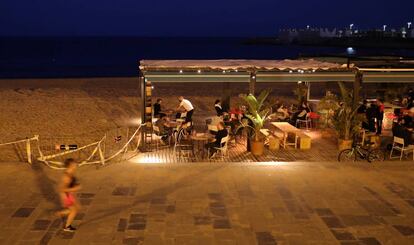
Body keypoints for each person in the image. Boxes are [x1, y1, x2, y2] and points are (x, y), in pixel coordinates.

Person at [55, 158, 81, 232]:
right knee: (74, 211)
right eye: (74, 164)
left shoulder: (70, 173)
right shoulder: (67, 177)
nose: (76, 165)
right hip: (67, 196)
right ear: (70, 165)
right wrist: (75, 189)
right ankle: (67, 227)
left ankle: (61, 213)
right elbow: (62, 189)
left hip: (70, 195)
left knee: (77, 208)